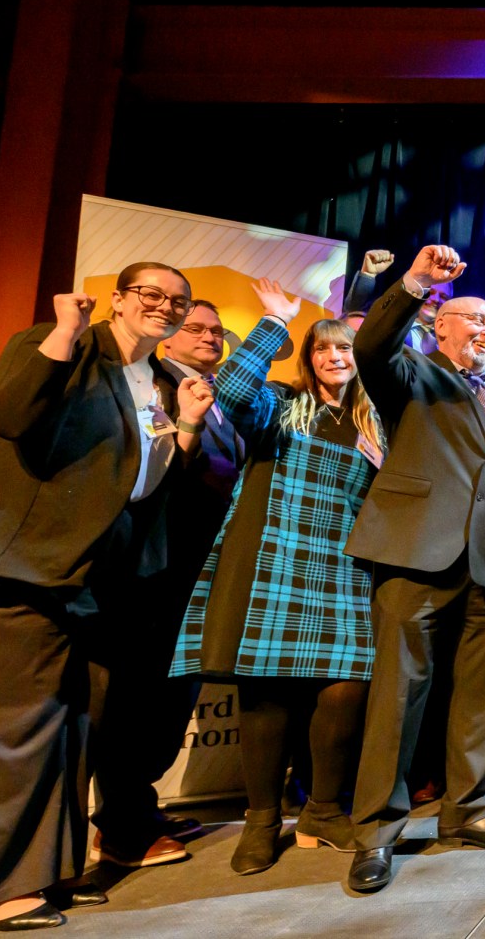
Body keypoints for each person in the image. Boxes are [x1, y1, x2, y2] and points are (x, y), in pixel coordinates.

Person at [0, 263, 206, 931]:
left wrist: (184, 430)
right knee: (2, 738)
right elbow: (10, 416)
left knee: (64, 736)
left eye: (176, 300)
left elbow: (142, 489)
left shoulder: (164, 383)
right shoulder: (55, 343)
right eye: (150, 293)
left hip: (76, 583)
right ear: (117, 300)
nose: (165, 306)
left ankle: (46, 875)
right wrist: (65, 332)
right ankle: (2, 889)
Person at [341, 246, 485, 896]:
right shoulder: (411, 374)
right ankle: (379, 831)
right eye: (472, 321)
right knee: (399, 697)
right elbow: (373, 344)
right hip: (417, 552)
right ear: (438, 327)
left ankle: (468, 810)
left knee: (481, 695)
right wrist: (415, 282)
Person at [167, 280, 383, 874]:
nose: (335, 358)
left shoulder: (376, 422)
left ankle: (321, 812)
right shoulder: (282, 406)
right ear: (308, 359)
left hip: (346, 565)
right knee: (267, 693)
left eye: (345, 350)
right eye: (322, 350)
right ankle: (262, 820)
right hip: (278, 558)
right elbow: (230, 391)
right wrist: (274, 321)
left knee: (346, 689)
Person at [86, 296, 250, 869]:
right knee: (133, 699)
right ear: (168, 336)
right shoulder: (152, 386)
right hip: (150, 567)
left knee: (170, 697)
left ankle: (141, 806)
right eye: (195, 327)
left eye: (217, 330)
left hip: (195, 571)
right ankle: (121, 827)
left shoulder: (215, 395)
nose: (209, 336)